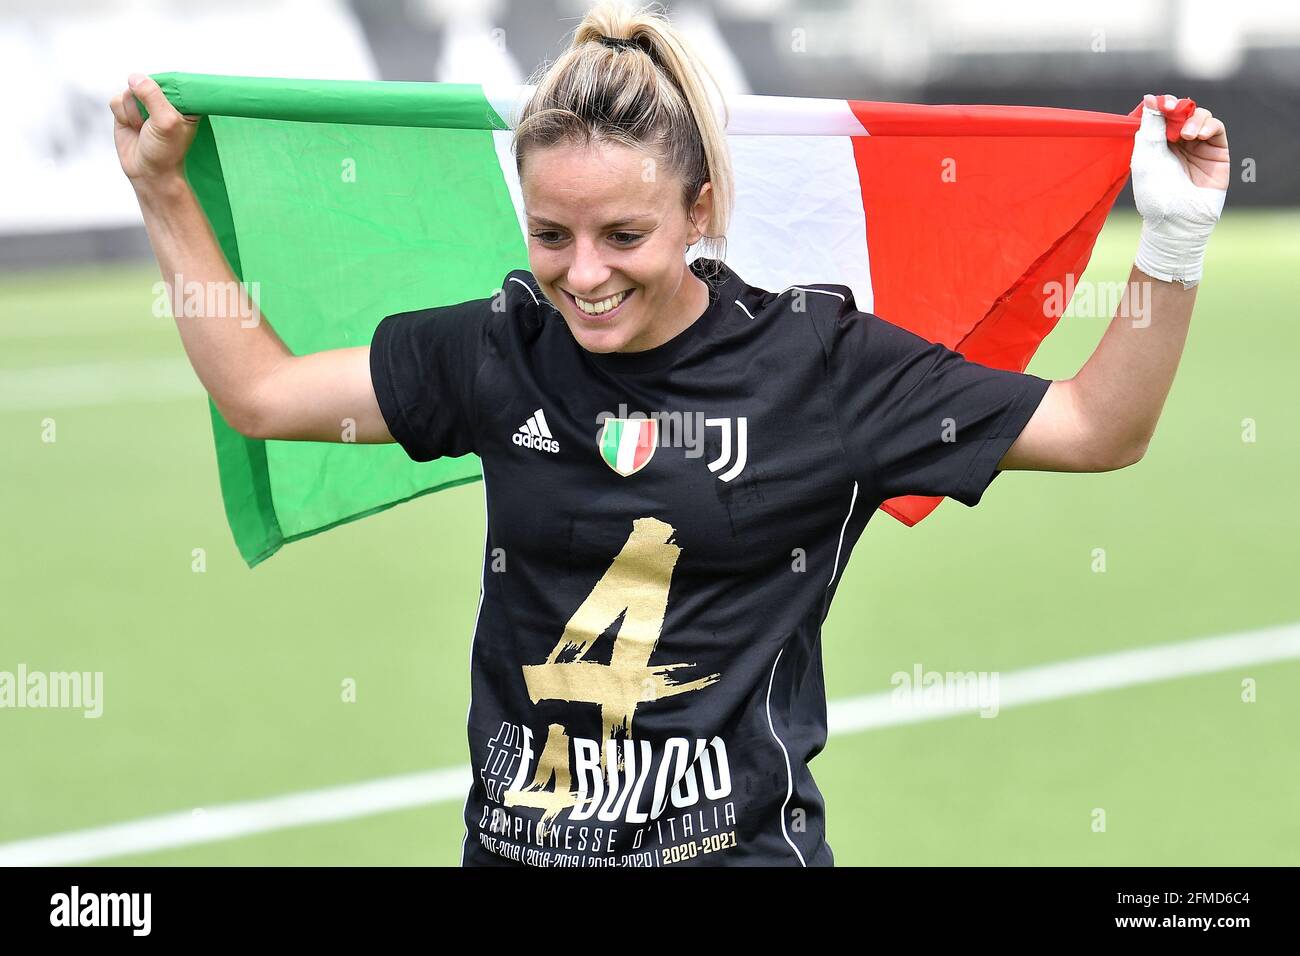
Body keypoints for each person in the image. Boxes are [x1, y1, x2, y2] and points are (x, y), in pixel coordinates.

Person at [109, 0, 1229, 867]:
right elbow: (260, 392)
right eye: (552, 233)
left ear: (700, 211)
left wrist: (1170, 241)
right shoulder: (497, 347)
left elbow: (1096, 425)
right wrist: (163, 192)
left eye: (622, 233)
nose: (582, 274)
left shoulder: (817, 364)